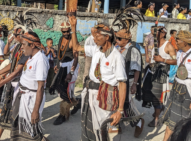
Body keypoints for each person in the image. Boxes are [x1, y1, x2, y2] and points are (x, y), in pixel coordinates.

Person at [68, 10, 130, 140]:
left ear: (107, 37)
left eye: (97, 37)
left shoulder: (116, 57)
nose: (94, 39)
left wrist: (119, 110)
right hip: (90, 94)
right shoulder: (96, 49)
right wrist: (73, 27)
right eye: (94, 37)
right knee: (89, 128)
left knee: (105, 130)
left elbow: (122, 83)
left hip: (105, 98)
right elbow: (76, 47)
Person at [160, 30, 191, 141]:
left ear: (185, 42)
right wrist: (163, 60)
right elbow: (177, 62)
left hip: (188, 91)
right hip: (176, 87)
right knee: (171, 119)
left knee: (185, 121)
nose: (176, 42)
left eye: (178, 40)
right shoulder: (179, 53)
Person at [9, 31, 49, 141]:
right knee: (20, 126)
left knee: (31, 128)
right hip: (23, 96)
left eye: (23, 45)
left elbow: (40, 87)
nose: (21, 47)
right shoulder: (31, 57)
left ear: (32, 45)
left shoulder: (40, 59)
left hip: (32, 98)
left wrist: (35, 111)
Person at [142, 26, 177, 127]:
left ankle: (156, 118)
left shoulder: (168, 46)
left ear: (163, 33)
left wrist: (163, 60)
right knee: (149, 94)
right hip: (151, 71)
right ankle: (159, 110)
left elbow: (175, 61)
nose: (154, 33)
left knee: (158, 98)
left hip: (160, 74)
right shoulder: (154, 42)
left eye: (157, 32)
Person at [115, 28, 144, 138]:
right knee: (117, 102)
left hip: (129, 80)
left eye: (119, 38)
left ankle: (138, 122)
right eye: (116, 38)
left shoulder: (133, 50)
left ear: (126, 40)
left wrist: (134, 84)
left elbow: (137, 69)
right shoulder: (118, 49)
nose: (117, 40)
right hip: (119, 80)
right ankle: (118, 123)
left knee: (127, 102)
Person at [49, 21, 80, 125]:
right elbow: (59, 53)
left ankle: (63, 115)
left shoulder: (73, 40)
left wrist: (71, 72)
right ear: (61, 31)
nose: (66, 33)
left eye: (68, 31)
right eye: (64, 32)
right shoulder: (61, 38)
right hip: (62, 66)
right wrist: (57, 65)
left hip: (71, 67)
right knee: (60, 89)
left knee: (66, 91)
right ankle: (77, 103)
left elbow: (76, 58)